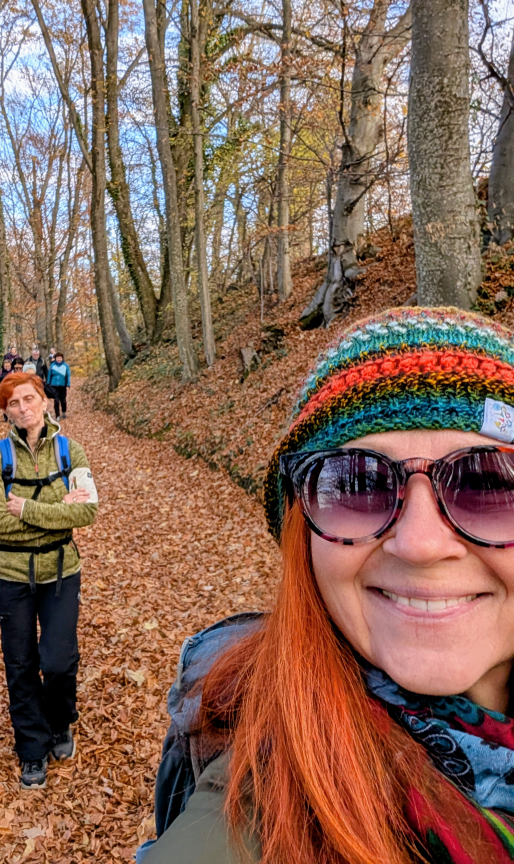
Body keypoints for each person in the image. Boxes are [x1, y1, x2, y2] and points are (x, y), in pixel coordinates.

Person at [145, 306, 514, 864]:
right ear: (301, 533)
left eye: (488, 485)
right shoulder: (242, 820)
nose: (419, 545)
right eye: (358, 484)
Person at [0, 373, 98, 789]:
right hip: (10, 576)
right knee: (21, 664)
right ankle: (31, 748)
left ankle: (61, 720)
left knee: (59, 661)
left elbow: (86, 512)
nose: (22, 408)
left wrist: (25, 509)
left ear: (46, 402)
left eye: (29, 399)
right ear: (6, 412)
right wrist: (56, 509)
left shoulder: (72, 451)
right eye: (13, 403)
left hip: (61, 573)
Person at [47, 352, 70, 419]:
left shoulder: (66, 366)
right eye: (57, 358)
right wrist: (48, 383)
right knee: (56, 401)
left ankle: (63, 412)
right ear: (55, 358)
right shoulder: (52, 366)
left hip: (62, 385)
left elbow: (68, 375)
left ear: (62, 358)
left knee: (63, 401)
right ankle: (57, 415)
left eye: (60, 358)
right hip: (54, 386)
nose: (59, 359)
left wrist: (68, 383)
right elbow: (49, 375)